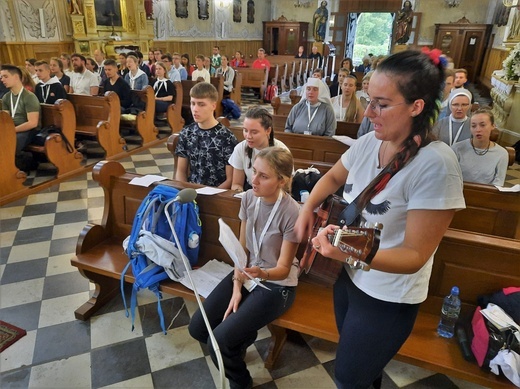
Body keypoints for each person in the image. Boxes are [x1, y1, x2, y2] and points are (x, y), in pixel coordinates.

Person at [294, 49, 465, 389]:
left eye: (381, 104)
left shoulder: (436, 165)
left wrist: (346, 252)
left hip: (389, 296)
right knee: (361, 369)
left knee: (348, 376)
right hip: (350, 278)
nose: (369, 112)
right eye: (369, 99)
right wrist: (305, 210)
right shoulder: (370, 142)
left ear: (417, 106)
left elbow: (415, 256)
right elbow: (330, 179)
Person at [189, 146, 300, 389]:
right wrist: (237, 284)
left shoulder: (292, 212)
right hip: (248, 272)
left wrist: (261, 274)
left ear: (281, 181)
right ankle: (239, 342)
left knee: (219, 340)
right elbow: (242, 251)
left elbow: (283, 268)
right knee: (198, 328)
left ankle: (241, 382)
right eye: (254, 172)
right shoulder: (249, 198)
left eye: (263, 176)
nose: (253, 180)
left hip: (276, 283)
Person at [175, 82, 237, 188]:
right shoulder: (187, 133)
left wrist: (208, 196)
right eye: (193, 103)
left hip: (216, 194)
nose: (195, 109)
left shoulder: (226, 138)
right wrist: (185, 191)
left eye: (201, 104)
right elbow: (181, 171)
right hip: (191, 192)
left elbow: (230, 179)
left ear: (213, 105)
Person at [230, 107, 289, 192]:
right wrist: (239, 193)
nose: (248, 136)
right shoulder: (240, 148)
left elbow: (285, 188)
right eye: (245, 130)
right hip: (250, 192)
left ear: (268, 130)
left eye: (254, 132)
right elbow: (237, 184)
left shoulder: (280, 150)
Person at [452, 107, 509, 186]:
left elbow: (498, 183)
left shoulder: (502, 154)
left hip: (486, 195)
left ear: (493, 126)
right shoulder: (457, 148)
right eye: (473, 126)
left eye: (482, 125)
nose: (478, 130)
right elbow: (451, 177)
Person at [1, 64, 41, 171]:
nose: (2, 80)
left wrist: (12, 130)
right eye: (1, 77)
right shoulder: (6, 97)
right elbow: (5, 119)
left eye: (5, 76)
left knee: (8, 146)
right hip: (13, 129)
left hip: (28, 130)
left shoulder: (29, 97)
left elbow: (32, 123)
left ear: (16, 77)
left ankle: (14, 171)